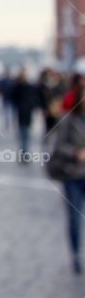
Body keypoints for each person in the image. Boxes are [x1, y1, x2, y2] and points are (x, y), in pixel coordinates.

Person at [49, 85, 85, 275]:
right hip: (73, 175)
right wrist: (77, 153)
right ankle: (76, 255)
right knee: (74, 218)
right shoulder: (68, 120)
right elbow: (59, 146)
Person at [9, 69, 39, 164]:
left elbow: (34, 98)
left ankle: (25, 153)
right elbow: (12, 97)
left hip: (27, 114)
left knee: (26, 135)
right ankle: (24, 153)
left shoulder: (29, 87)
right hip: (21, 114)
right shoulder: (18, 87)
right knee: (23, 135)